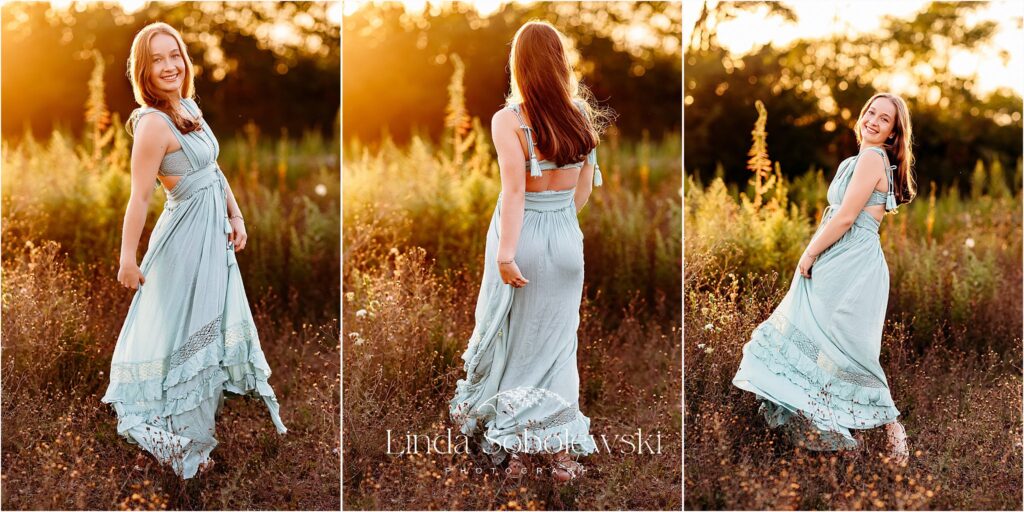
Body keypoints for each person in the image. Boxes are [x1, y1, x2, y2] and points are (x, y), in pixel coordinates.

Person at [100, 22, 286, 479]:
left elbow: (214, 170)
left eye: (174, 55)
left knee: (208, 327)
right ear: (143, 71)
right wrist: (128, 258)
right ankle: (183, 444)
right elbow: (139, 198)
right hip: (182, 240)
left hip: (212, 237)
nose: (169, 66)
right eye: (157, 60)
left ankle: (194, 430)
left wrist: (236, 216)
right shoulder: (151, 124)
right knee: (187, 333)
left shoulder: (187, 108)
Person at [448, 20, 610, 483]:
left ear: (518, 64)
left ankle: (518, 455)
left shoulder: (508, 120)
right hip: (567, 237)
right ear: (560, 62)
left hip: (525, 238)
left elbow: (514, 194)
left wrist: (505, 254)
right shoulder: (579, 114)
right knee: (560, 348)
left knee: (520, 345)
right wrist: (562, 224)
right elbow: (582, 192)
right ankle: (559, 458)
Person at [732, 92, 917, 463]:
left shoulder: (871, 157)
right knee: (825, 345)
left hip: (851, 263)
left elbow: (846, 217)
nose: (874, 121)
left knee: (847, 350)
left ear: (894, 133)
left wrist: (810, 251)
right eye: (871, 113)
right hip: (845, 259)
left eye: (885, 120)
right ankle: (826, 424)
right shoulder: (858, 159)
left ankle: (892, 428)